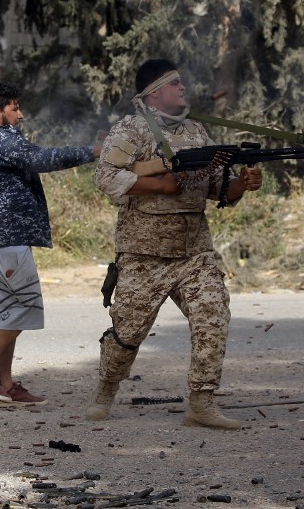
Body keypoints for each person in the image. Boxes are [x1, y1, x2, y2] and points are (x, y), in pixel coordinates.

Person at [88, 59, 263, 429]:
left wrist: (242, 184)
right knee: (127, 334)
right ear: (154, 93)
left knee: (213, 318)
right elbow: (105, 176)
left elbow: (219, 188)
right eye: (175, 84)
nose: (183, 89)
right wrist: (162, 185)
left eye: (182, 84)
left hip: (194, 251)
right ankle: (105, 388)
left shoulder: (197, 132)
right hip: (143, 253)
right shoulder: (131, 131)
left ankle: (202, 401)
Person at [0, 81, 101, 406]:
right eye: (15, 108)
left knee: (10, 310)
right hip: (3, 239)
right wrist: (93, 152)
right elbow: (42, 158)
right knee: (24, 305)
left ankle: (6, 385)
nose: (21, 114)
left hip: (0, 238)